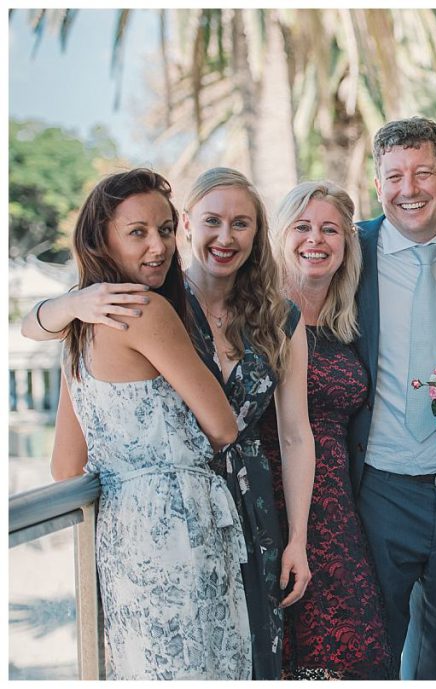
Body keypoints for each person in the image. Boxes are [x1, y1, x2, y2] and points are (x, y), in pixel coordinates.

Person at [24, 168, 316, 680]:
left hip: (121, 532)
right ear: (103, 237)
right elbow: (223, 427)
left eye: (162, 230)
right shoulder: (148, 310)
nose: (157, 247)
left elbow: (65, 465)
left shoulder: (77, 326)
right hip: (182, 523)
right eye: (137, 232)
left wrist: (66, 304)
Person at [347, 116, 436, 680]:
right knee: (372, 651)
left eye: (423, 173)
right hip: (378, 488)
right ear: (377, 183)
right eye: (394, 176)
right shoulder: (348, 252)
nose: (409, 189)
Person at [181, 168, 314, 679]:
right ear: (188, 223)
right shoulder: (161, 307)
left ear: (257, 235)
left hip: (252, 508)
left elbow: (295, 434)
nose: (225, 236)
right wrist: (67, 303)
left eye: (241, 224)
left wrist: (296, 539)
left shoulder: (280, 318)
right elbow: (39, 324)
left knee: (256, 651)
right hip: (182, 502)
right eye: (212, 221)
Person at [263, 180, 396, 679]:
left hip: (339, 512)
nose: (315, 239)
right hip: (275, 508)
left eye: (330, 230)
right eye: (302, 227)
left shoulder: (349, 322)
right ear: (280, 235)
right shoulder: (259, 314)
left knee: (358, 653)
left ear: (346, 244)